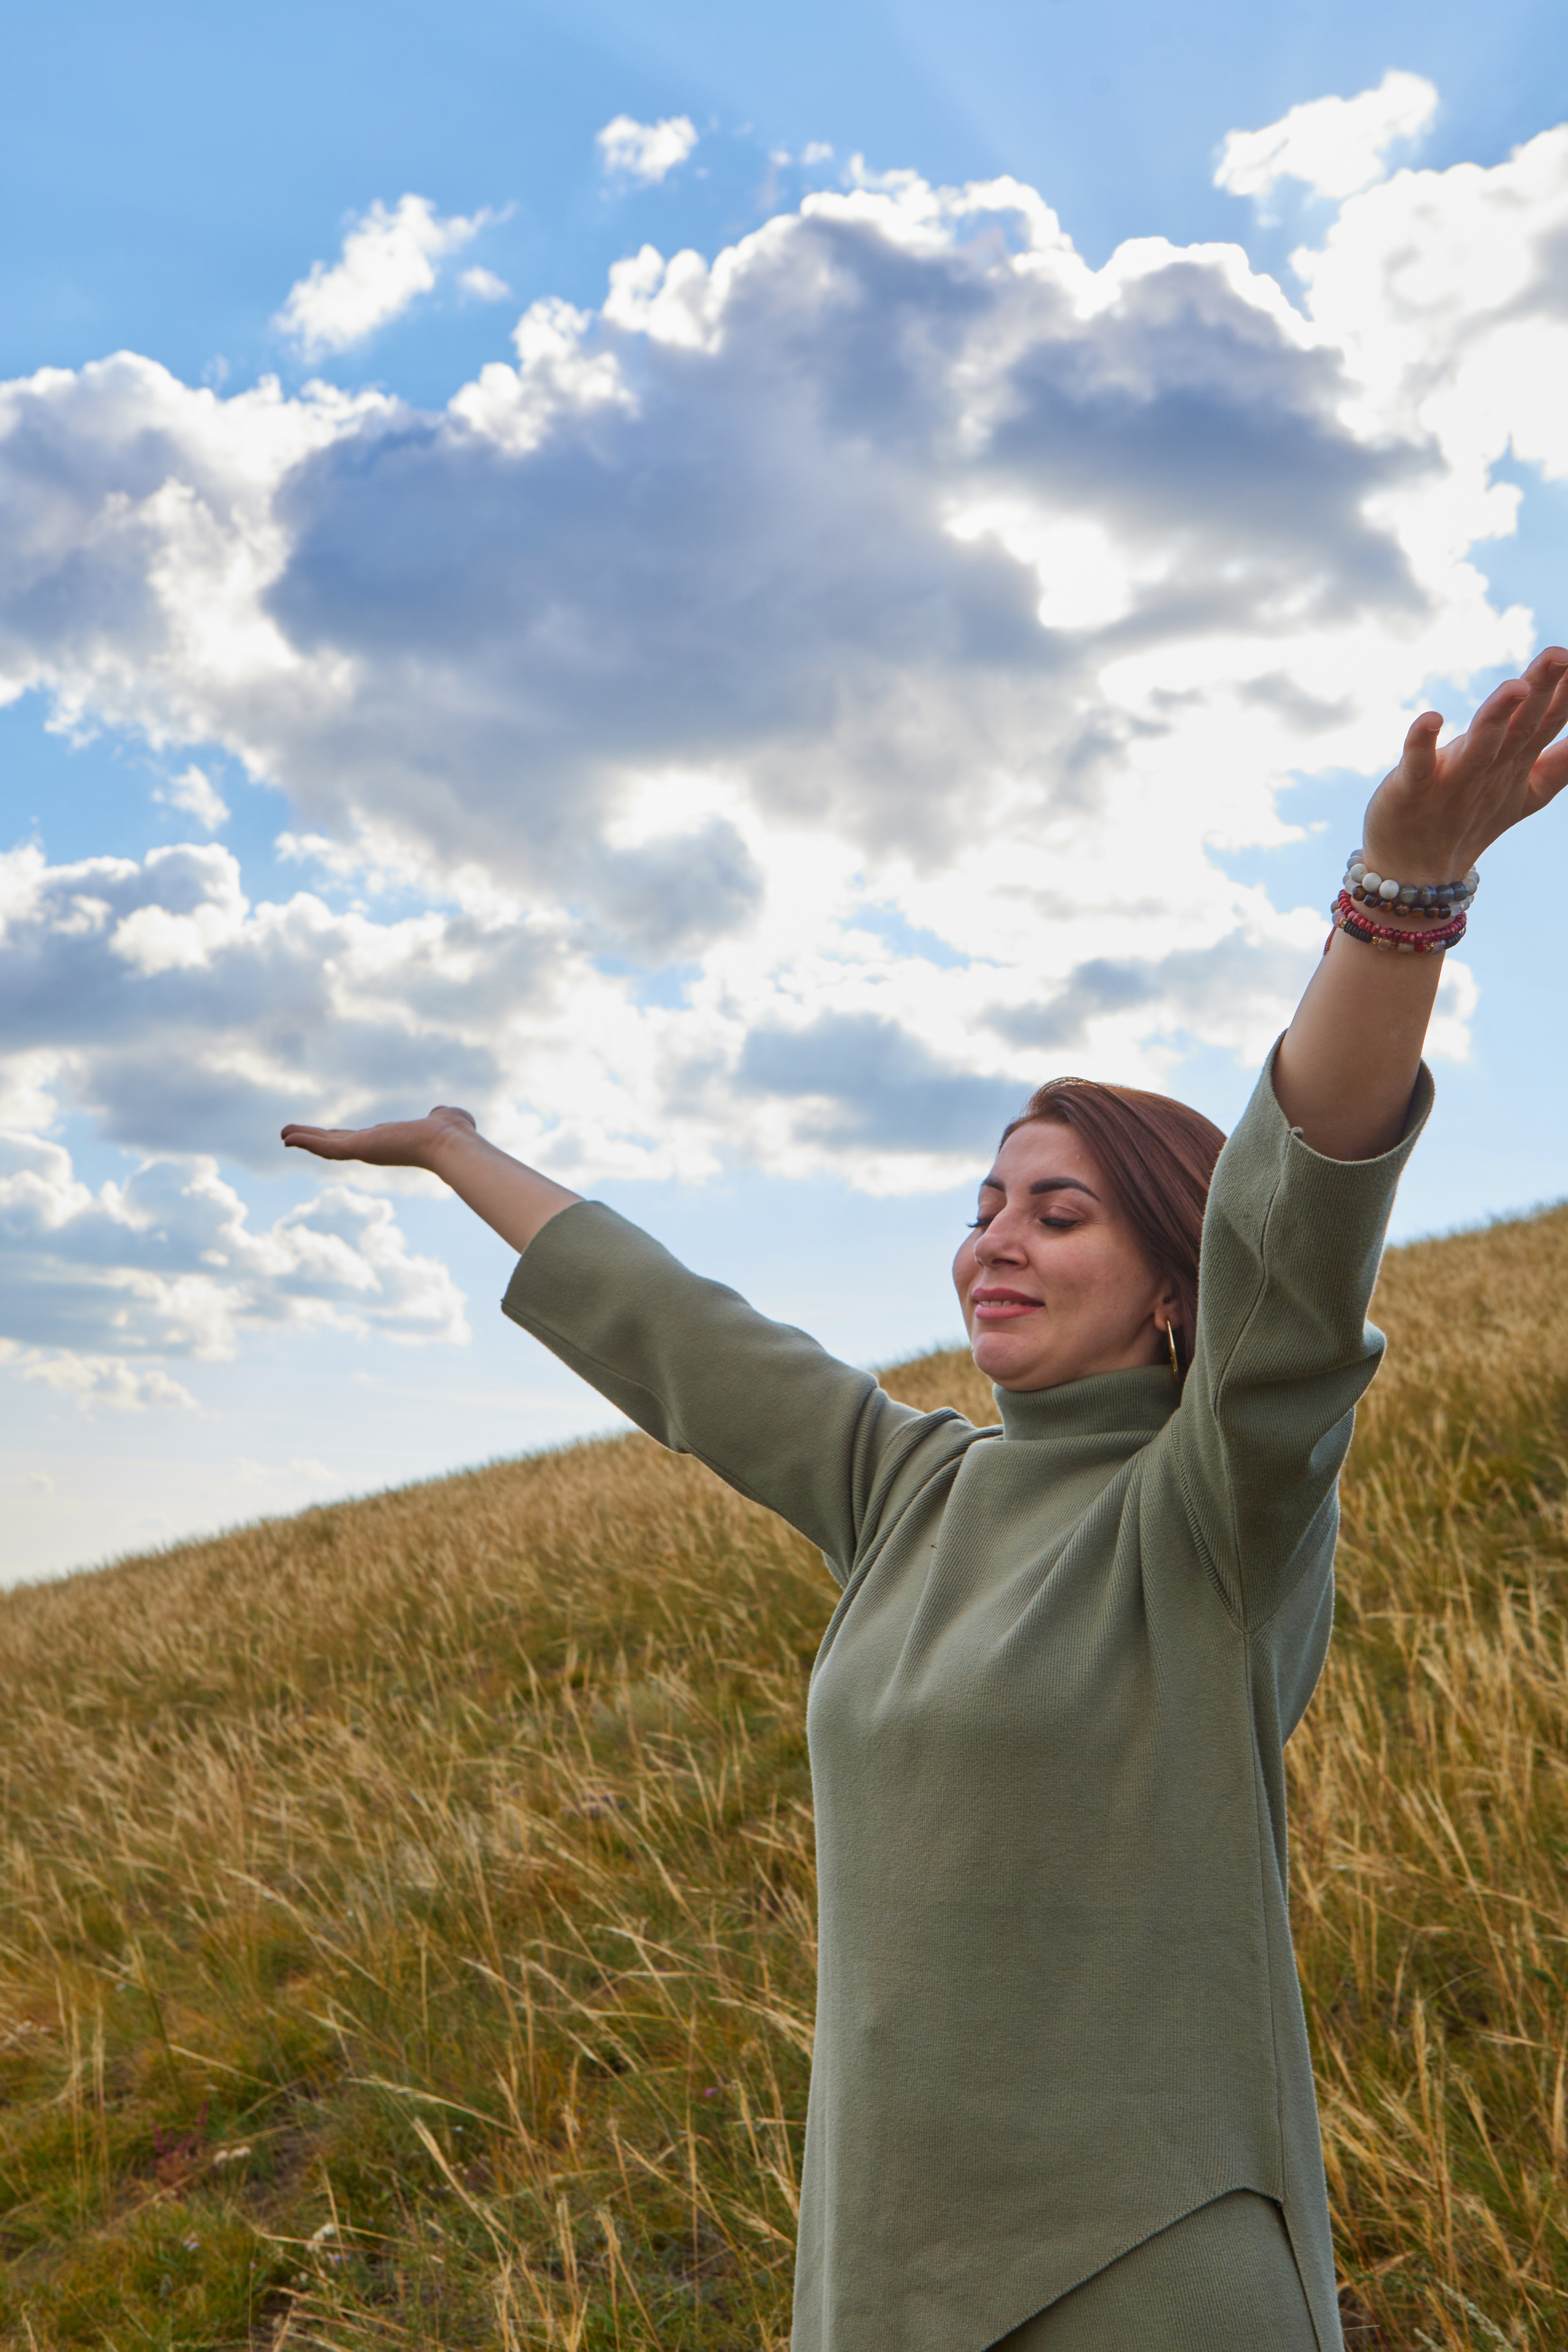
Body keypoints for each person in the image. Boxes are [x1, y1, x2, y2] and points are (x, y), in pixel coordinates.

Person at [284, 650, 1568, 2352]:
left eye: (1060, 1212)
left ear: (1175, 1285)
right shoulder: (913, 1488)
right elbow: (689, 1341)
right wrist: (460, 1152)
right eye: (986, 1205)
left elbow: (1293, 1228)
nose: (996, 1240)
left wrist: (1403, 893)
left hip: (1150, 2262)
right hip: (885, 2270)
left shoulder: (1216, 1510)